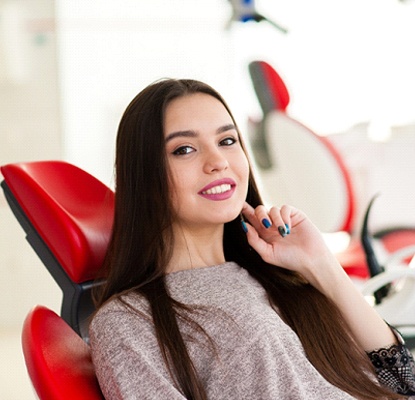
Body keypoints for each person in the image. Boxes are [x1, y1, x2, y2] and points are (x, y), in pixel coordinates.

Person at [89, 78, 415, 400]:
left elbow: (404, 380)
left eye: (227, 141)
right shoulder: (128, 322)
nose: (218, 162)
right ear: (144, 177)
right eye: (184, 149)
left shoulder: (281, 278)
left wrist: (322, 265)